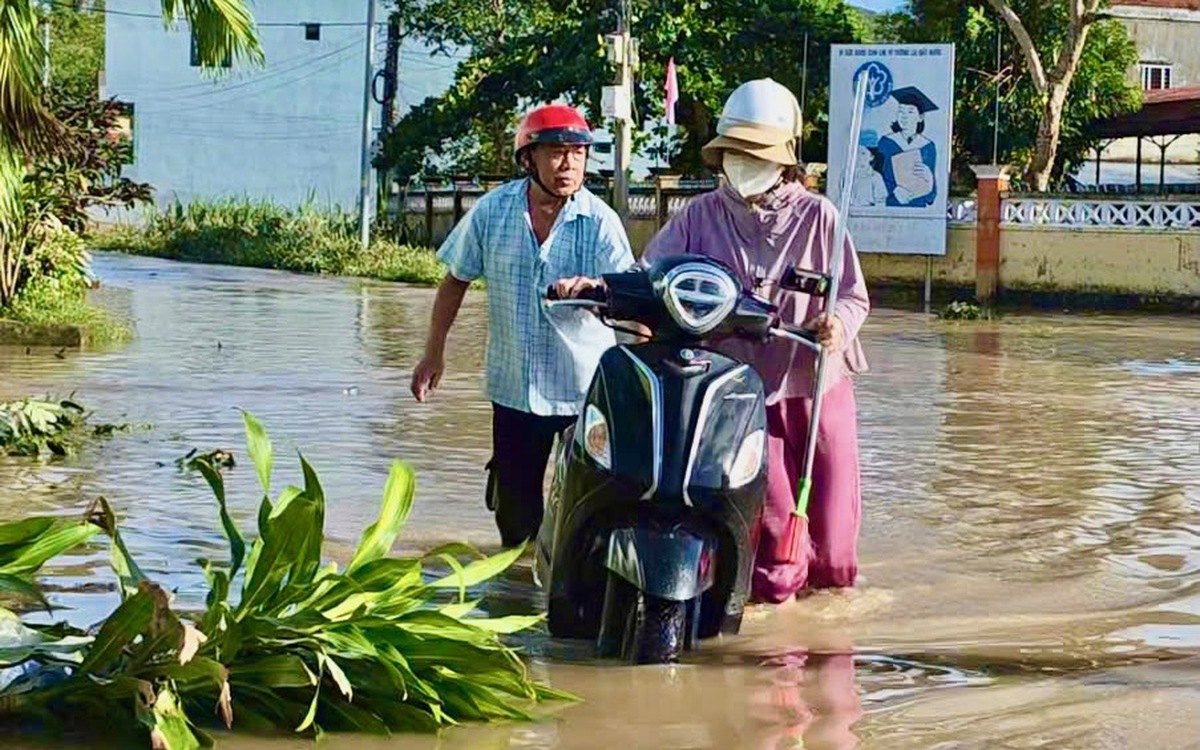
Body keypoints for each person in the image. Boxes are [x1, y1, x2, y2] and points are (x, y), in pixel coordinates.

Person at [557, 78, 870, 604]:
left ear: (784, 158)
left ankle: (831, 645)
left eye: (755, 154)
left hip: (816, 385)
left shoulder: (821, 218)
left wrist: (837, 322)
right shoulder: (699, 217)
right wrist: (597, 288)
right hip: (740, 392)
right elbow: (647, 274)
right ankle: (777, 655)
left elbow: (855, 297)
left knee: (836, 553)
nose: (743, 164)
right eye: (734, 153)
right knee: (774, 545)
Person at [410, 103, 635, 549]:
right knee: (514, 517)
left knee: (588, 509)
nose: (568, 163)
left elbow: (631, 300)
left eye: (577, 153)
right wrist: (434, 352)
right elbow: (455, 281)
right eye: (555, 152)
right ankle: (513, 597)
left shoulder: (601, 223)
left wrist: (600, 293)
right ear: (529, 159)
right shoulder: (493, 212)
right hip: (515, 389)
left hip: (584, 393)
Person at [876, 86, 938, 207]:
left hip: (917, 206)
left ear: (920, 117)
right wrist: (894, 190)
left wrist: (930, 181)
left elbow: (931, 195)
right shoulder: (887, 142)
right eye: (901, 111)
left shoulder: (928, 146)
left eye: (910, 111)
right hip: (891, 204)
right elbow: (878, 174)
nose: (904, 116)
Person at [850, 130, 888, 208]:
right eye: (857, 152)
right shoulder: (847, 176)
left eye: (863, 153)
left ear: (871, 157)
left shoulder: (876, 177)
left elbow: (881, 204)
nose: (859, 157)